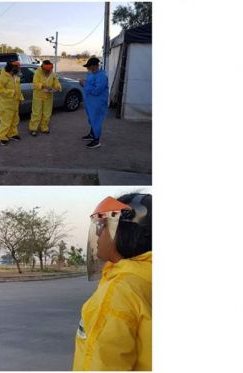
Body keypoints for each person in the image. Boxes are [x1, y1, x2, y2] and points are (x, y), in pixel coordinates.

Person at [73, 193, 152, 371]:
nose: (99, 233)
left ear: (125, 231)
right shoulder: (147, 279)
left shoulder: (119, 291)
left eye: (104, 225)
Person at [79, 57, 109, 149]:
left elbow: (96, 91)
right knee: (92, 119)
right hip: (91, 103)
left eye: (89, 67)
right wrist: (83, 83)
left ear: (95, 66)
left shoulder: (102, 76)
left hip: (97, 103)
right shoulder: (92, 73)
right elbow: (90, 84)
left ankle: (96, 140)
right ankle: (92, 134)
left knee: (96, 120)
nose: (88, 69)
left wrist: (85, 84)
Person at [28, 60, 62, 136]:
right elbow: (35, 83)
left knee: (47, 113)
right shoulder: (37, 72)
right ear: (43, 68)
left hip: (49, 96)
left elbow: (56, 83)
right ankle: (33, 129)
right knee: (36, 113)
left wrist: (57, 88)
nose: (48, 72)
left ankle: (44, 127)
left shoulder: (52, 74)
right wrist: (43, 86)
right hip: (38, 96)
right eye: (46, 70)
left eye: (49, 70)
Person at [0, 60, 24, 146]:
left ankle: (12, 134)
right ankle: (3, 137)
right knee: (6, 121)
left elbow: (18, 89)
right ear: (12, 68)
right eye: (17, 68)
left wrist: (20, 98)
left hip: (15, 103)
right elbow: (0, 90)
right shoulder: (2, 77)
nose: (19, 69)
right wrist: (11, 92)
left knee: (15, 120)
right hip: (6, 104)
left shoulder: (15, 76)